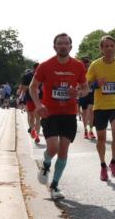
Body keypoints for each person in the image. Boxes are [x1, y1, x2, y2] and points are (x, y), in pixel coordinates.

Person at [29, 33, 89, 200]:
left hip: (69, 113)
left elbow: (85, 89)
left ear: (71, 46)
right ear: (54, 47)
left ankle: (55, 186)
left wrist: (78, 92)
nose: (63, 46)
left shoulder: (78, 66)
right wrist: (39, 105)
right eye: (60, 43)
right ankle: (46, 163)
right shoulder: (45, 66)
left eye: (66, 43)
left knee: (63, 151)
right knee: (53, 147)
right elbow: (33, 87)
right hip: (50, 112)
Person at [87, 35, 115, 182]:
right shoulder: (95, 65)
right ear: (101, 49)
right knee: (102, 139)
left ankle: (114, 162)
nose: (110, 48)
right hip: (100, 107)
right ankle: (103, 165)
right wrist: (96, 84)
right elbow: (86, 85)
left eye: (112, 45)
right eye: (106, 46)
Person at [18, 65, 41, 143]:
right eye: (36, 70)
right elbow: (23, 88)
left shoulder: (43, 74)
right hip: (30, 98)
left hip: (39, 98)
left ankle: (37, 135)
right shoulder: (26, 76)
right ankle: (32, 129)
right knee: (31, 115)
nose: (38, 71)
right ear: (33, 69)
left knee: (38, 117)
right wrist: (32, 87)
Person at [78, 57, 97, 141]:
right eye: (85, 63)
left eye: (87, 63)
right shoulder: (79, 71)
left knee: (91, 110)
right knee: (84, 113)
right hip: (82, 94)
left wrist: (93, 83)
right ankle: (85, 130)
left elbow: (97, 81)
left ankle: (91, 130)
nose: (86, 65)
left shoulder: (93, 71)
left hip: (91, 93)